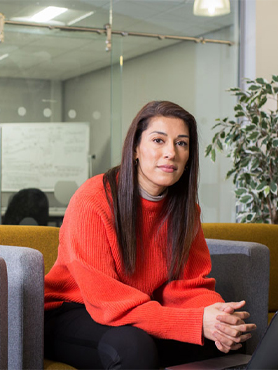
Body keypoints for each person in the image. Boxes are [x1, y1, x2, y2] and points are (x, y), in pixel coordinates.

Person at [44, 101, 256, 369]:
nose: (171, 153)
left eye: (181, 143)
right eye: (158, 140)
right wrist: (194, 323)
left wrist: (216, 316)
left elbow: (190, 285)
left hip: (138, 309)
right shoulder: (93, 200)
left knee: (226, 340)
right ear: (135, 148)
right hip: (73, 310)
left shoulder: (185, 210)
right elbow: (107, 301)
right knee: (133, 348)